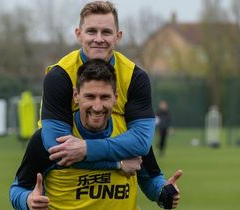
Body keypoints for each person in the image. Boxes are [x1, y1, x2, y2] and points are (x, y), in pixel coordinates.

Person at [10, 59, 181, 210]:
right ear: (76, 96)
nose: (97, 106)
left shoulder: (129, 136)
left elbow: (152, 179)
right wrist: (28, 200)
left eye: (104, 97)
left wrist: (164, 193)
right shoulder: (49, 140)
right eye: (90, 96)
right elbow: (17, 189)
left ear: (115, 97)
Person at [41, 0, 155, 178]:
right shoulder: (59, 76)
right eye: (92, 31)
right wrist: (117, 164)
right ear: (79, 34)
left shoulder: (135, 77)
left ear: (118, 36)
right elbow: (57, 148)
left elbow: (141, 142)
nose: (99, 39)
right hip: (64, 190)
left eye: (107, 32)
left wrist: (86, 148)